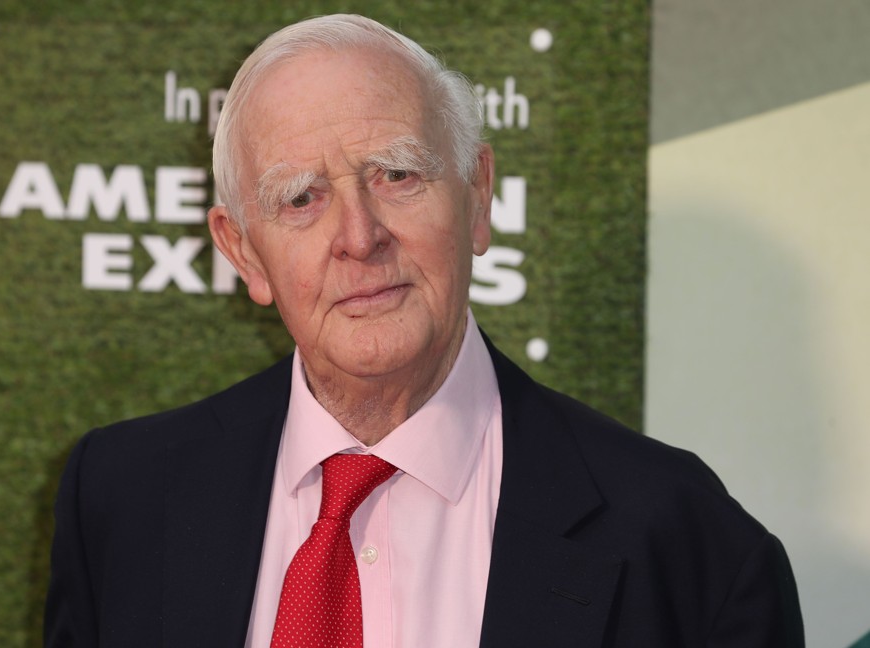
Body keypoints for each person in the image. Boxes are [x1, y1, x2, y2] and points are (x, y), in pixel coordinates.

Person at [44, 14, 804, 648]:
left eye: (397, 176)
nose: (359, 236)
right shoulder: (122, 498)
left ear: (477, 196)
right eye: (302, 197)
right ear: (244, 251)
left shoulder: (686, 539)